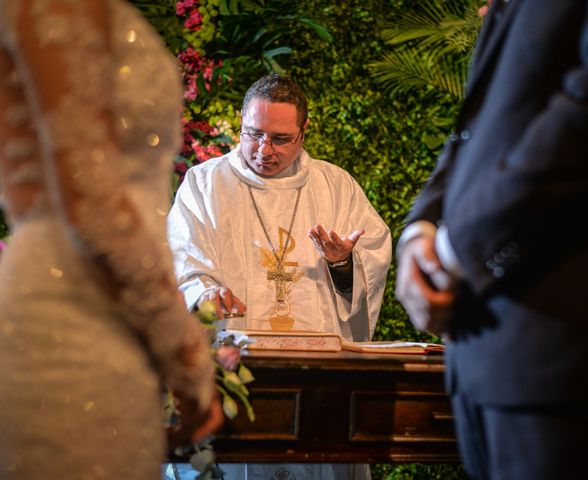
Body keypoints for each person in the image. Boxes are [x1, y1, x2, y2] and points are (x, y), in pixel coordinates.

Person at [395, 1, 588, 479]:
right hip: (490, 359)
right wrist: (420, 230)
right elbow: (473, 131)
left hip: (573, 348)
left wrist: (458, 248)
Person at [0, 1, 222, 478]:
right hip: (85, 307)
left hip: (63, 284)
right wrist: (188, 358)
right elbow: (95, 210)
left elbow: (21, 190)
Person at [168, 74, 391, 480]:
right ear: (240, 123)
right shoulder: (204, 184)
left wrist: (343, 264)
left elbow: (371, 257)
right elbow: (182, 264)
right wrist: (205, 293)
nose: (263, 149)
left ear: (304, 133)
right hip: (231, 373)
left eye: (280, 138)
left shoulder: (335, 186)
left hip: (315, 380)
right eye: (253, 134)